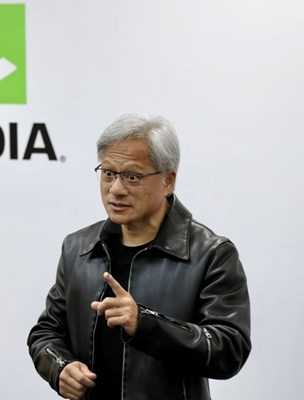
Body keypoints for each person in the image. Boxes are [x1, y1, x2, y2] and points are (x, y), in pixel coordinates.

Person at [27, 114, 251, 400]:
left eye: (132, 177)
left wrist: (145, 324)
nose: (116, 189)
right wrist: (60, 368)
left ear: (168, 180)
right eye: (108, 173)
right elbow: (45, 332)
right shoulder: (78, 248)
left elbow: (229, 349)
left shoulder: (211, 253)